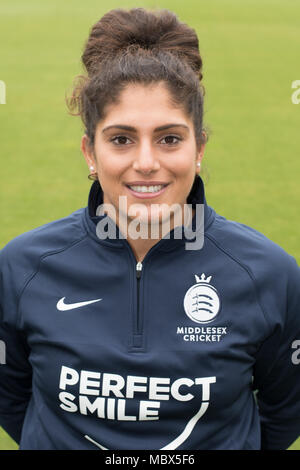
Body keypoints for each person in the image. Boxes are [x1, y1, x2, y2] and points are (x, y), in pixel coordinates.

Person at [0, 7, 299, 451]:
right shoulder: (21, 268)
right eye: (121, 139)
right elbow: (11, 399)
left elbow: (285, 409)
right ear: (89, 151)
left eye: (169, 138)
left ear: (199, 147)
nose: (145, 162)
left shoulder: (269, 274)